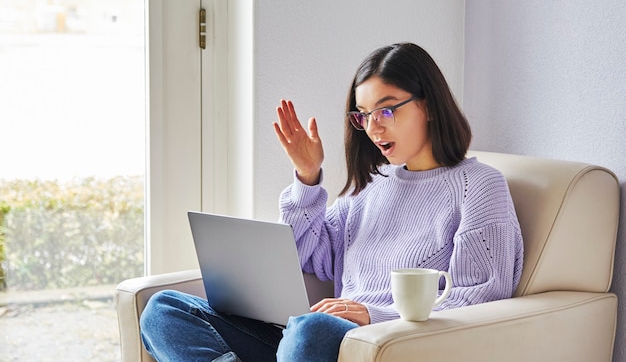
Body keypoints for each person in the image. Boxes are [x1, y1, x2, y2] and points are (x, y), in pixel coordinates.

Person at [139, 42, 524, 362]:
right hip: (308, 341)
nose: (374, 127)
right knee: (165, 310)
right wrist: (307, 178)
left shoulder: (479, 186)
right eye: (364, 115)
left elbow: (480, 297)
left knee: (312, 328)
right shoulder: (370, 186)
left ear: (428, 105)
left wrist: (372, 313)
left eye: (386, 109)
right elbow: (308, 258)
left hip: (373, 340)